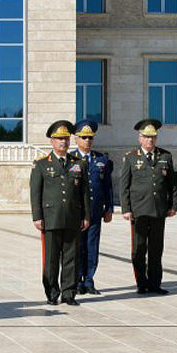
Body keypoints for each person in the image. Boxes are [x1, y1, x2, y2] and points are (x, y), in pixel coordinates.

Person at [30, 120, 89, 306]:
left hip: (72, 217)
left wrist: (86, 216)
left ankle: (69, 293)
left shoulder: (78, 163)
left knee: (71, 257)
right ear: (52, 142)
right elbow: (35, 193)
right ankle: (52, 293)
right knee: (51, 259)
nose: (63, 142)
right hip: (51, 218)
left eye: (65, 139)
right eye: (59, 139)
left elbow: (85, 193)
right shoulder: (41, 165)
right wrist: (37, 217)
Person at [119, 119, 177, 295]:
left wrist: (173, 205)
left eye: (153, 137)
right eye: (146, 137)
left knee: (156, 249)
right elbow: (124, 185)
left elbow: (172, 185)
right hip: (139, 210)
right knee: (138, 249)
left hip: (159, 210)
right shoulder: (131, 157)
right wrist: (126, 208)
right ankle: (141, 282)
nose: (150, 140)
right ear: (140, 138)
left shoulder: (165, 156)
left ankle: (154, 283)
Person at [69, 120, 112, 295]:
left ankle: (89, 280)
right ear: (76, 138)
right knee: (78, 247)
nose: (87, 141)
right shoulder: (71, 159)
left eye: (90, 138)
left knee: (92, 246)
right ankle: (78, 280)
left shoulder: (101, 159)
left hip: (94, 211)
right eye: (84, 137)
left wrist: (109, 208)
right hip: (77, 212)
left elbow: (107, 186)